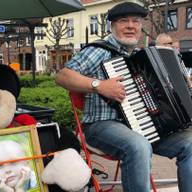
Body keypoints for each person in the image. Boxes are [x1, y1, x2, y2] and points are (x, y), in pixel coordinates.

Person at [56, 2, 192, 192]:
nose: (130, 26)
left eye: (136, 21)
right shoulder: (98, 50)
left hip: (145, 126)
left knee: (190, 144)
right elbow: (62, 76)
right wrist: (99, 85)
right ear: (111, 26)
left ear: (140, 27)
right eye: (123, 21)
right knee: (139, 146)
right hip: (101, 125)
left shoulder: (141, 56)